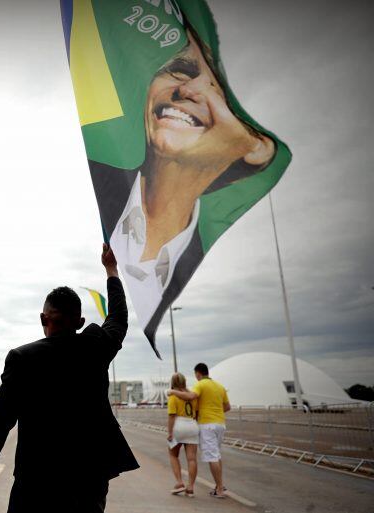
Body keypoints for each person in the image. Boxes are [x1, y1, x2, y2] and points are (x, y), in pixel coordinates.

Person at [89, 28, 277, 342]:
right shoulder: (101, 179)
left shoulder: (202, 257)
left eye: (216, 90)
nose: (187, 90)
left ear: (256, 146)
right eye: (181, 71)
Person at [0, 245, 139, 513]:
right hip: (90, 477)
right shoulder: (95, 347)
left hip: (37, 480)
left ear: (42, 318)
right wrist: (111, 271)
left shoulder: (22, 358)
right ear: (80, 322)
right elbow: (118, 318)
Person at [168, 362, 230, 499]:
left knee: (175, 454)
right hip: (216, 423)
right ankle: (192, 488)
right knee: (206, 456)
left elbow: (186, 401)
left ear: (198, 373)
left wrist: (172, 391)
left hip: (199, 424)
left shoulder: (199, 385)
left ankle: (217, 488)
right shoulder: (220, 386)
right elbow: (227, 407)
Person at [166, 372, 198, 498]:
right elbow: (196, 413)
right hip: (192, 424)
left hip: (179, 425)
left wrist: (169, 433)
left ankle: (179, 482)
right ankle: (190, 488)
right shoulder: (191, 396)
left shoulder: (173, 397)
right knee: (192, 458)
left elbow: (171, 416)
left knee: (173, 455)